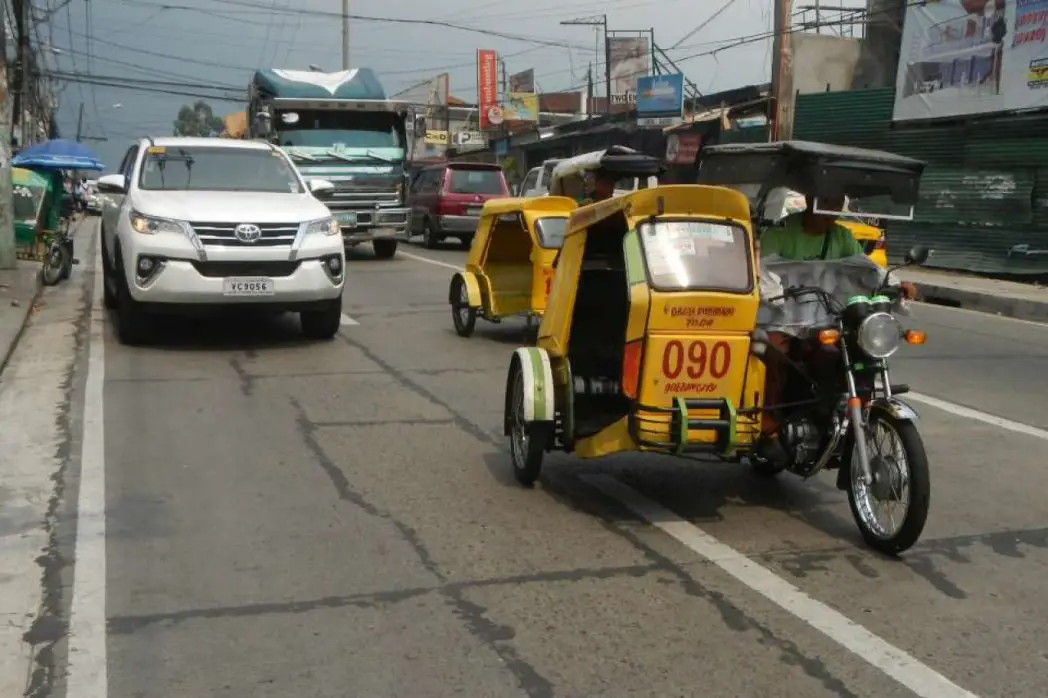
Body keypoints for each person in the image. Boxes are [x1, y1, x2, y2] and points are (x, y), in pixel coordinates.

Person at [757, 195, 917, 458]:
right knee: (775, 353)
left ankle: (837, 413)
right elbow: (762, 270)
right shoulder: (781, 232)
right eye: (826, 202)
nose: (830, 211)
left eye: (835, 204)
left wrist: (895, 283)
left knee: (853, 352)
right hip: (782, 318)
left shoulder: (841, 237)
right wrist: (775, 292)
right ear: (811, 200)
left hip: (824, 317)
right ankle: (769, 428)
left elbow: (865, 268)